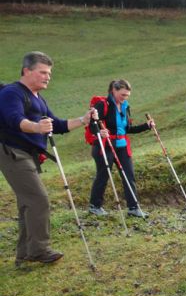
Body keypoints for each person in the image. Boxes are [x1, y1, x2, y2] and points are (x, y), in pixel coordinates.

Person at [0, 51, 94, 265]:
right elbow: (15, 120)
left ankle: (24, 255)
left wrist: (83, 119)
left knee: (27, 204)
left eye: (49, 73)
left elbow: (58, 124)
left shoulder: (37, 98)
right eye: (43, 72)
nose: (47, 77)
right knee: (38, 199)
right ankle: (39, 250)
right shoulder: (11, 93)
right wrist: (37, 127)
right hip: (13, 152)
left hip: (28, 155)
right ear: (27, 71)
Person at [88, 79, 152, 218]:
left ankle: (133, 208)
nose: (125, 98)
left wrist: (146, 126)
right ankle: (95, 206)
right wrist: (99, 132)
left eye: (127, 95)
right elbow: (91, 124)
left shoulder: (125, 106)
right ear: (114, 90)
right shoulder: (102, 104)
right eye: (123, 95)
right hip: (105, 146)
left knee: (129, 175)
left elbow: (127, 129)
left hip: (122, 146)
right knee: (103, 175)